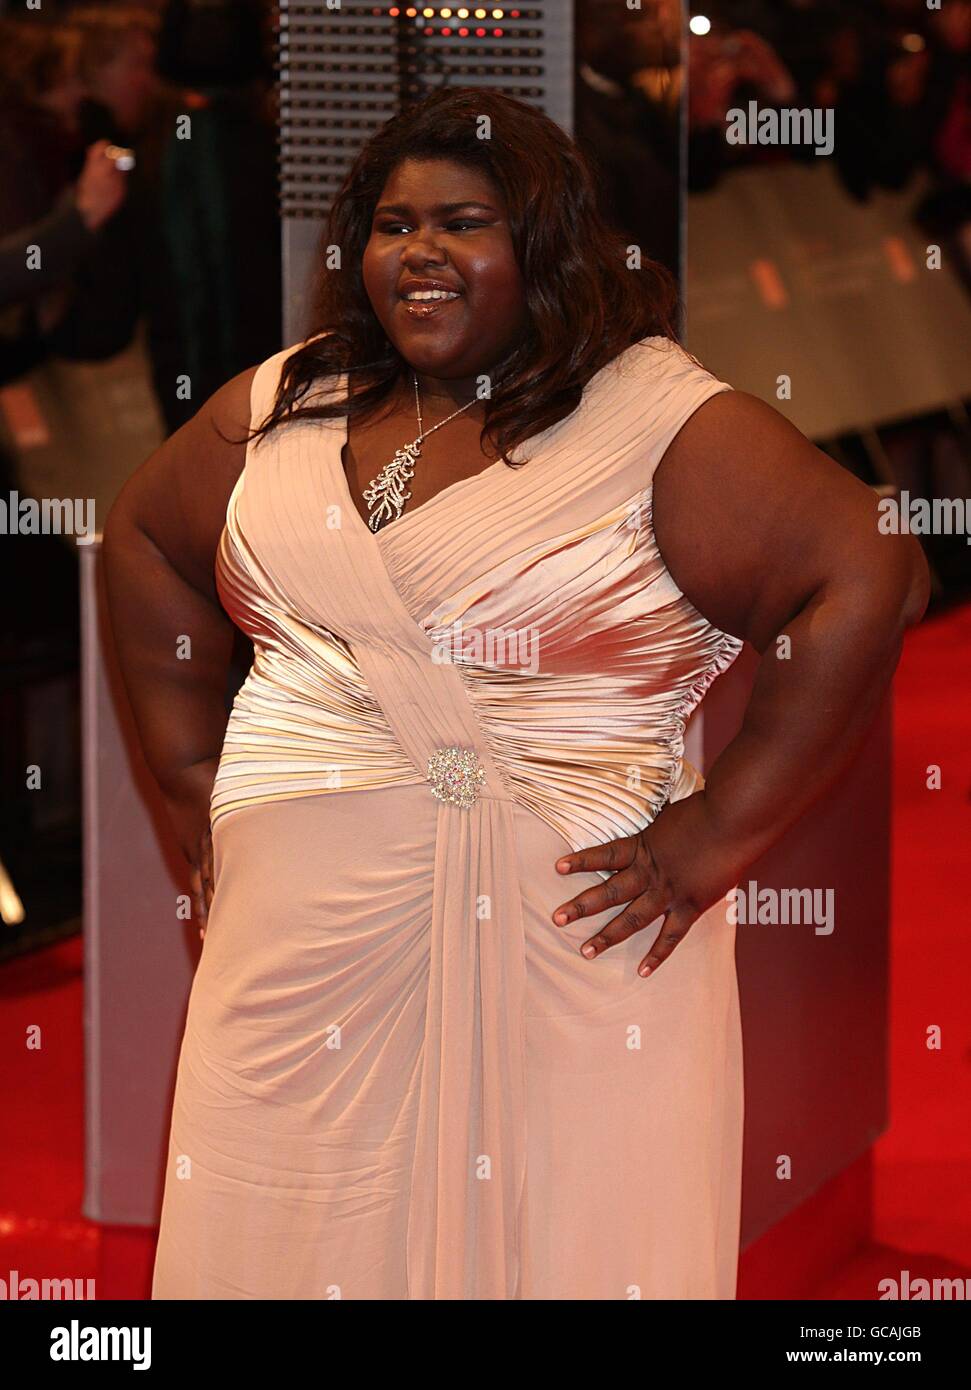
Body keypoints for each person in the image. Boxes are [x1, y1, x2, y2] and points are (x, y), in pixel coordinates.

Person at [102, 87, 928, 1301]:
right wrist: (186, 784)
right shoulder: (292, 400)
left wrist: (718, 831)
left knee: (566, 1233)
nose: (420, 253)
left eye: (464, 223)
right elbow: (146, 541)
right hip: (294, 956)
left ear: (541, 246)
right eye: (393, 225)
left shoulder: (646, 413)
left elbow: (869, 570)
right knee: (287, 1224)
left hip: (571, 940)